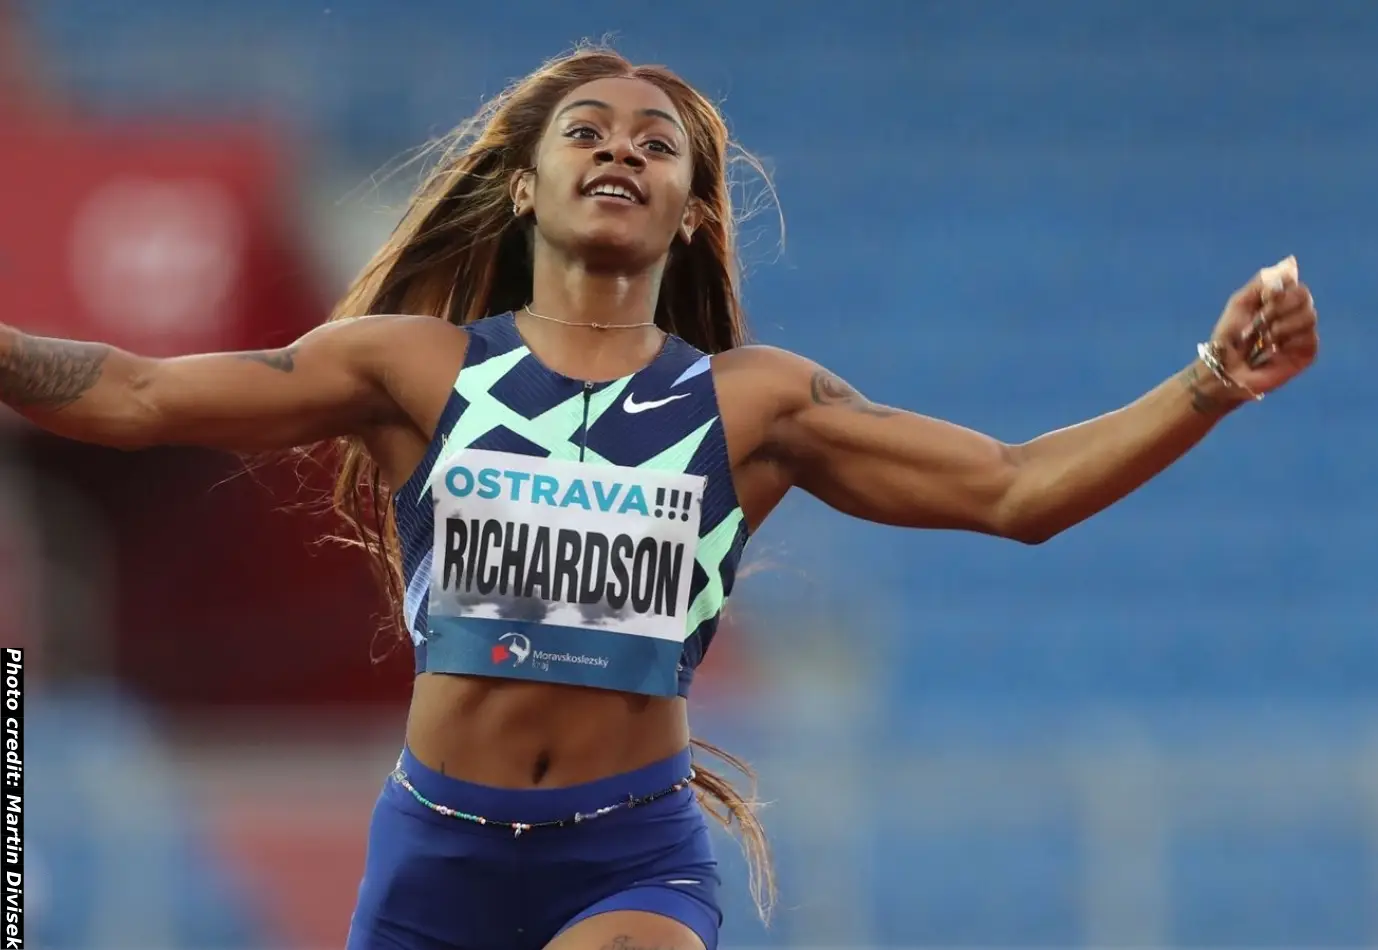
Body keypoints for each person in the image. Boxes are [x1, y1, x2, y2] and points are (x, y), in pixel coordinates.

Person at [0, 45, 1318, 950]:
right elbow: (132, 395)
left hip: (624, 853)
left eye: (658, 143)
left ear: (689, 210)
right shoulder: (407, 367)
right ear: (527, 185)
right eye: (588, 130)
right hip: (436, 850)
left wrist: (1207, 380)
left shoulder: (755, 405)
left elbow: (1014, 489)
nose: (622, 150)